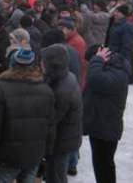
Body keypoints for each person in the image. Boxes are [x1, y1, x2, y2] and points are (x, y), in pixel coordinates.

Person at [0, 48, 55, 183]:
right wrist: (45, 156)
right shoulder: (46, 90)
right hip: (33, 156)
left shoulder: (0, 88)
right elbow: (50, 128)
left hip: (7, 158)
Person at [83, 45, 130, 183]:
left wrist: (96, 61)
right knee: (101, 165)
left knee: (104, 166)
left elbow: (95, 80)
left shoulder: (118, 73)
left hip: (106, 129)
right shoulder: (114, 69)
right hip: (101, 125)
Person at [41, 44, 83, 183]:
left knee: (56, 176)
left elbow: (51, 120)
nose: (41, 64)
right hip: (65, 138)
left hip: (61, 142)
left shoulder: (61, 91)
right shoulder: (66, 76)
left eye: (43, 61)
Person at [106, 4, 133, 84]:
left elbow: (127, 46)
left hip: (119, 59)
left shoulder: (127, 27)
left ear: (123, 14)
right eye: (115, 11)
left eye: (118, 12)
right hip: (112, 56)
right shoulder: (116, 24)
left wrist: (120, 60)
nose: (115, 13)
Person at [58, 18, 87, 89]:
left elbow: (77, 63)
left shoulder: (76, 42)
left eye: (63, 29)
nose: (61, 32)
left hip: (75, 81)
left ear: (70, 29)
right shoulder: (72, 39)